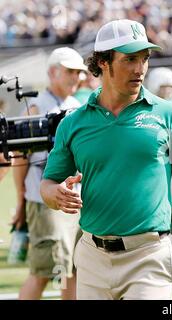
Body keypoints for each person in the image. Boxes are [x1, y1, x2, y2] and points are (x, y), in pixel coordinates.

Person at [40, 19, 172, 300]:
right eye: (130, 59)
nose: (140, 69)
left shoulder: (170, 116)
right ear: (103, 62)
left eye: (144, 59)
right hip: (91, 258)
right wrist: (56, 194)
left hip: (150, 256)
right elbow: (48, 183)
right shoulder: (73, 123)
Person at [11, 47, 86, 300]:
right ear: (52, 72)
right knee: (45, 270)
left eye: (78, 72)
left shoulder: (77, 106)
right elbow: (20, 159)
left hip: (73, 203)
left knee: (73, 270)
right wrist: (22, 198)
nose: (76, 77)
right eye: (70, 71)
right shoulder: (35, 107)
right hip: (43, 202)